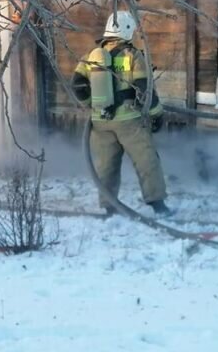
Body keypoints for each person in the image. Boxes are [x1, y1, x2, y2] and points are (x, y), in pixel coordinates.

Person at [72, 11, 172, 216]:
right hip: (129, 121)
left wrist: (93, 106)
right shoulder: (133, 56)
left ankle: (109, 207)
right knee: (146, 161)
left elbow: (77, 85)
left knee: (105, 165)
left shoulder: (90, 56)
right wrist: (156, 114)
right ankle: (158, 205)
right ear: (128, 31)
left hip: (100, 122)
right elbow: (145, 90)